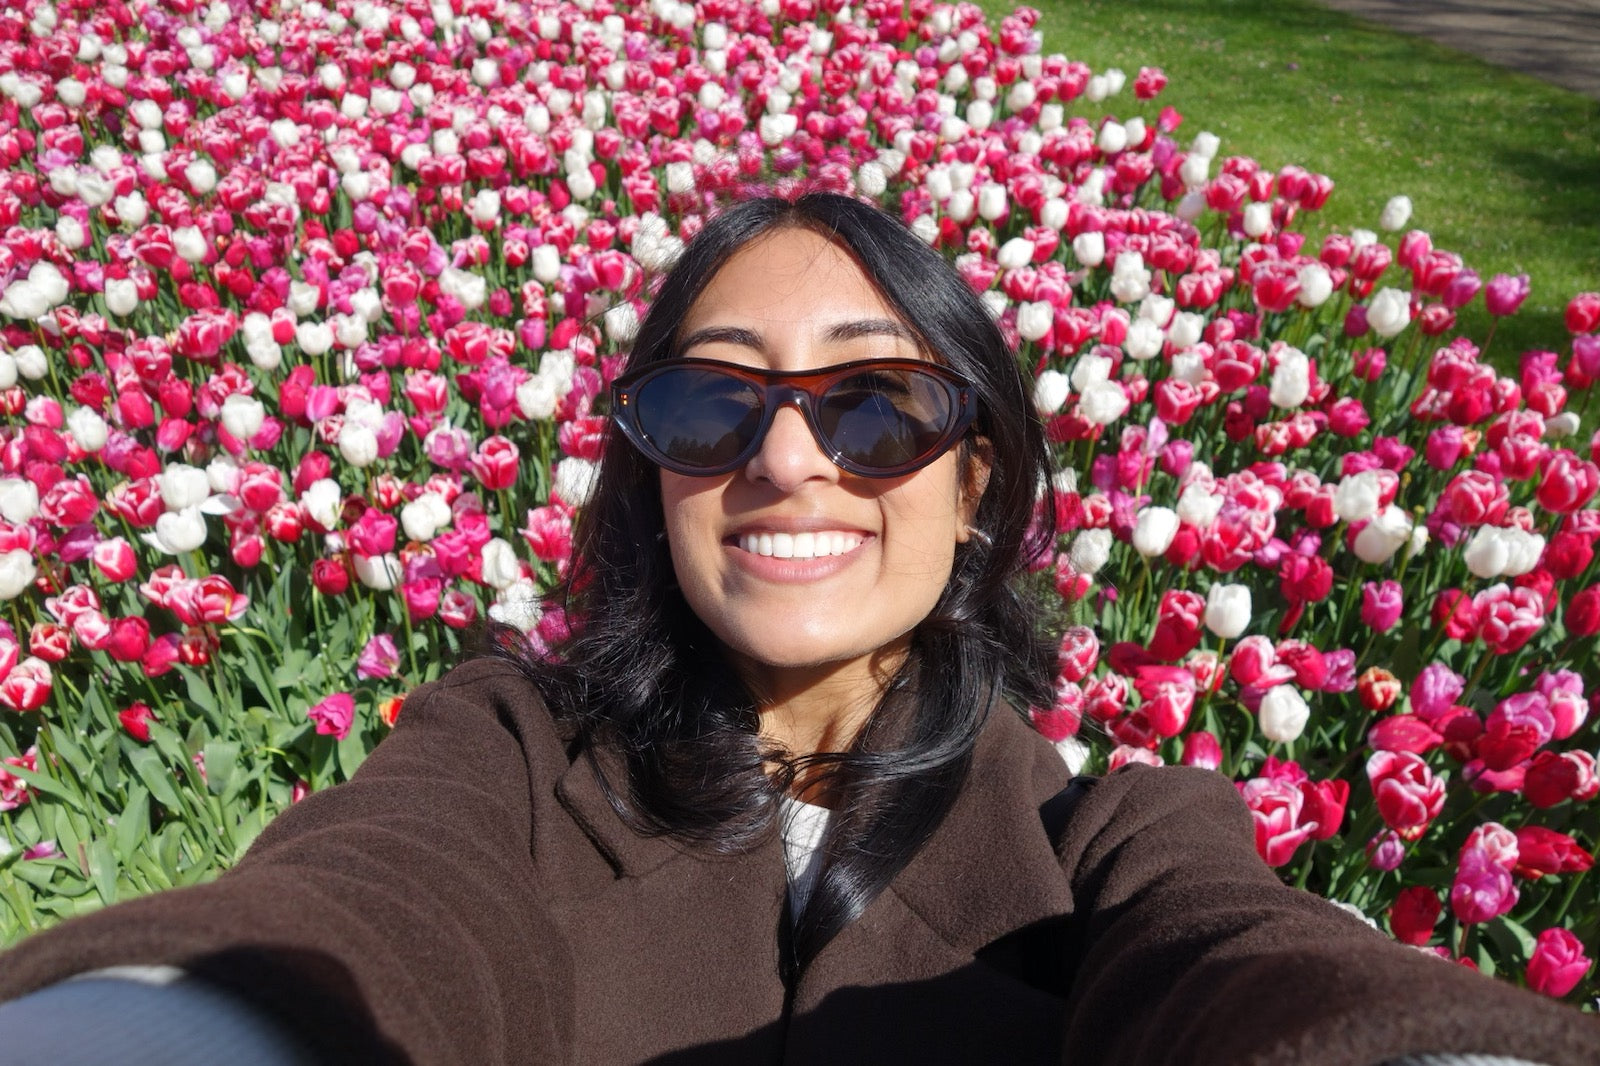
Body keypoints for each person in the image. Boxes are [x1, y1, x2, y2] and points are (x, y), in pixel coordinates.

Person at [0, 193, 1596, 1066]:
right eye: (712, 400)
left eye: (876, 403)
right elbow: (372, 907)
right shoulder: (505, 758)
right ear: (651, 465)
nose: (785, 459)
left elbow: (1240, 967)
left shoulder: (1108, 840)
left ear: (978, 481)